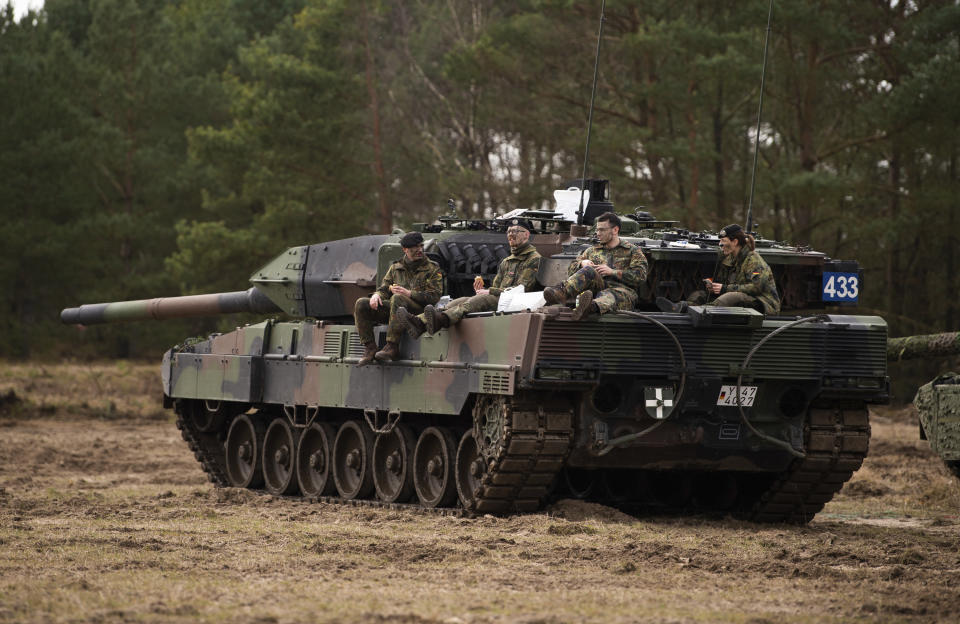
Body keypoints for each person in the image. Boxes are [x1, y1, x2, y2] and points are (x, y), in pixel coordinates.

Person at [397, 222, 542, 337]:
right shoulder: (507, 261)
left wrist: (489, 292)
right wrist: (482, 290)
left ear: (526, 235)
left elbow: (522, 288)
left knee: (477, 301)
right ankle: (419, 322)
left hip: (515, 302)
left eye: (516, 231)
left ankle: (442, 320)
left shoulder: (534, 259)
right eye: (509, 231)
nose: (511, 234)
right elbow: (496, 286)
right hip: (500, 298)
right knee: (458, 301)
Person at [354, 231, 442, 365]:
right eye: (415, 248)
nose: (419, 250)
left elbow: (434, 296)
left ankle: (392, 346)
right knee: (361, 303)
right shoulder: (396, 268)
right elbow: (384, 289)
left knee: (398, 298)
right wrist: (377, 295)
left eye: (421, 246)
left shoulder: (432, 268)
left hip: (418, 313)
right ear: (405, 249)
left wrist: (409, 293)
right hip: (396, 312)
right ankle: (370, 348)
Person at [542, 212, 648, 320]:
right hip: (596, 289)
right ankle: (561, 293)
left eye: (602, 230)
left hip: (622, 293)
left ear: (615, 230)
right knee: (588, 270)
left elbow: (640, 277)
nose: (597, 233)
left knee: (609, 295)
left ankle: (590, 307)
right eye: (597, 229)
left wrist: (612, 272)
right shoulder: (591, 250)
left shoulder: (632, 251)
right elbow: (571, 270)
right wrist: (581, 264)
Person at [657, 223, 780, 314]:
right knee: (700, 295)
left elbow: (756, 288)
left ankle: (703, 313)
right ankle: (681, 308)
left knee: (729, 297)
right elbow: (725, 283)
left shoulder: (754, 260)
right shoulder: (730, 259)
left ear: (735, 242)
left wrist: (725, 288)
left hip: (763, 303)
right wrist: (714, 286)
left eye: (723, 240)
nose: (720, 244)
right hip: (741, 298)